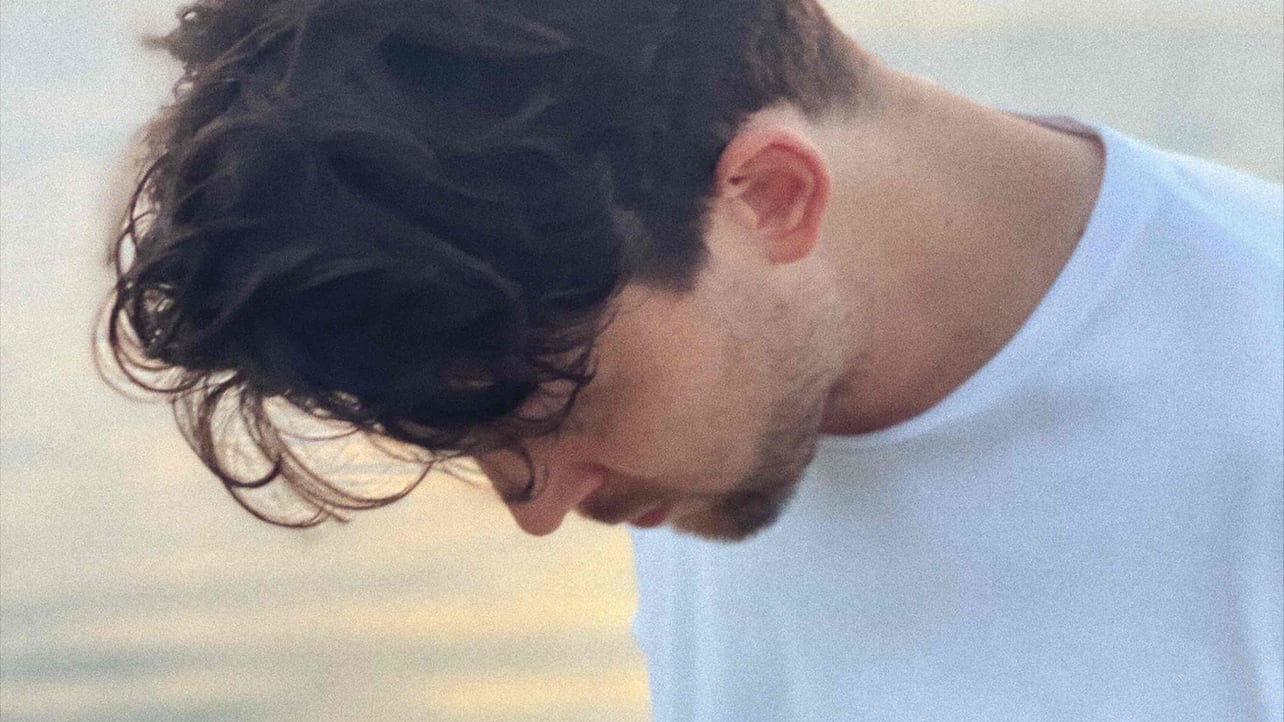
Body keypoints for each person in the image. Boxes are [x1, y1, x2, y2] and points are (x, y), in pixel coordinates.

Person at [101, 0, 1282, 718]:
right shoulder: (722, 396)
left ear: (771, 195)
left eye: (554, 409)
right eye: (480, 443)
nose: (540, 509)